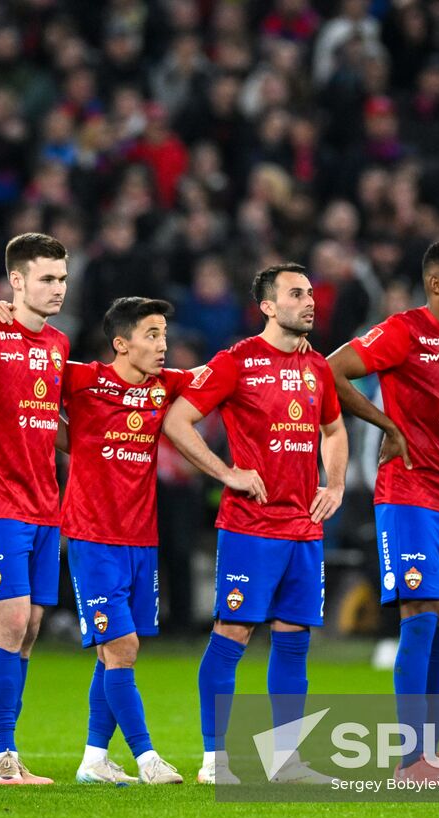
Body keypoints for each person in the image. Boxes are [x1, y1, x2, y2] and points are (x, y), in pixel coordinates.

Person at [163, 262, 348, 785]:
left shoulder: (318, 368)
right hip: (250, 526)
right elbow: (178, 421)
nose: (309, 301)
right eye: (296, 293)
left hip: (304, 528)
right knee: (234, 632)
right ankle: (213, 762)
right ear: (267, 306)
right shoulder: (237, 361)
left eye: (311, 292)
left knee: (294, 640)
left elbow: (334, 431)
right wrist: (226, 472)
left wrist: (332, 484)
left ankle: (287, 761)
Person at [326, 241, 439, 781]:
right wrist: (386, 425)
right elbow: (332, 371)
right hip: (410, 494)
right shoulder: (403, 330)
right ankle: (410, 761)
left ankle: (430, 758)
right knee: (421, 615)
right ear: (436, 284)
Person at [58, 297, 192, 785]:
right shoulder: (81, 378)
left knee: (112, 652)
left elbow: (218, 380)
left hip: (142, 538)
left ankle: (94, 759)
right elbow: (19, 391)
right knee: (124, 646)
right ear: (121, 343)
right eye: (152, 335)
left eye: (163, 334)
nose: (162, 345)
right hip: (93, 535)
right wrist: (71, 440)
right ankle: (146, 757)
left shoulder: (166, 387)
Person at [0, 233, 71, 786]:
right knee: (10, 620)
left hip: (44, 505)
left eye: (62, 278)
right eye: (47, 278)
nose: (57, 288)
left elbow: (52, 421)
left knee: (29, 628)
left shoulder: (58, 344)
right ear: (17, 281)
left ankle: (8, 751)